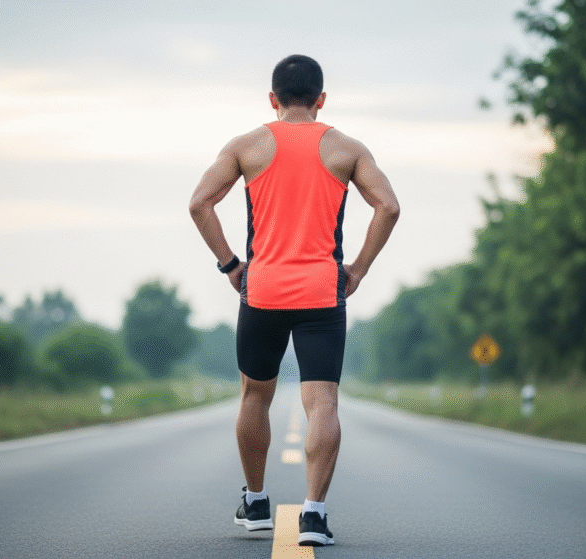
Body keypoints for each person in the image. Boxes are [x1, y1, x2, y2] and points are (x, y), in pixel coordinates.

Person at [188, 54, 400, 547]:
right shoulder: (345, 148)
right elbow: (388, 206)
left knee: (254, 395)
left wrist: (231, 266)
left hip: (260, 291)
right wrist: (359, 269)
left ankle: (257, 502)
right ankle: (314, 515)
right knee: (322, 401)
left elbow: (199, 202)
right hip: (322, 293)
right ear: (321, 100)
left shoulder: (247, 146)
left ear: (272, 99)